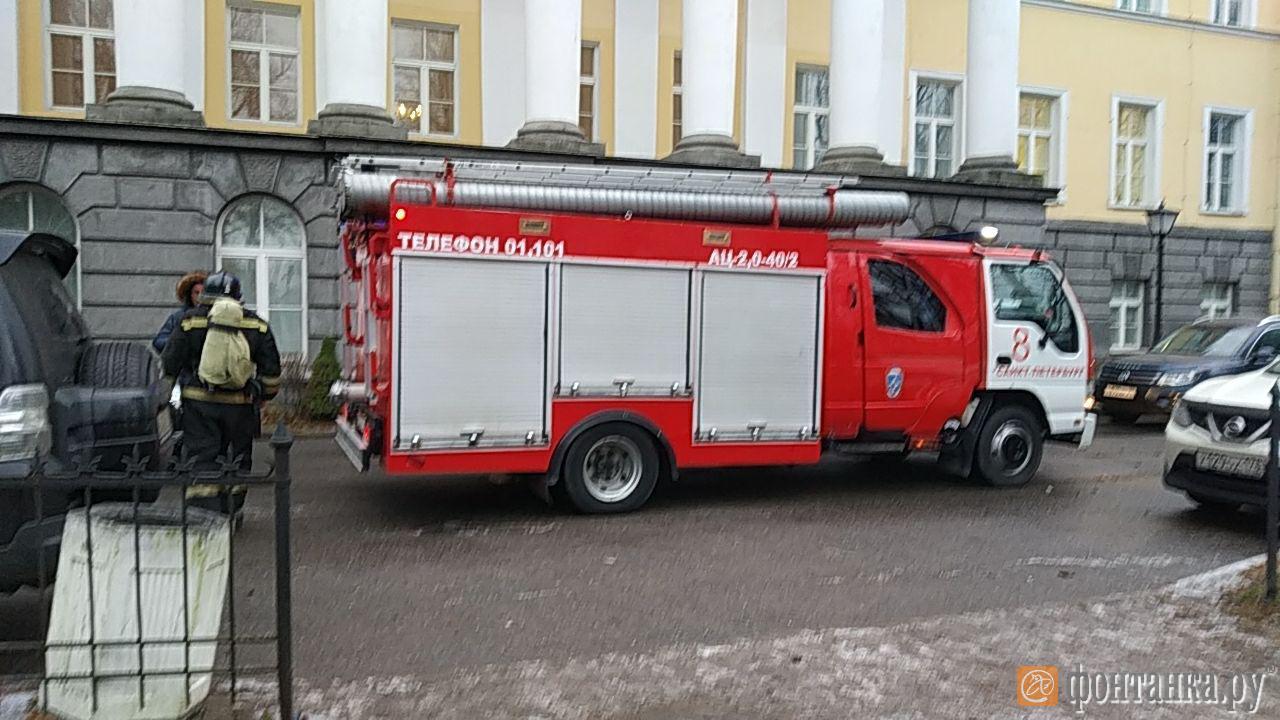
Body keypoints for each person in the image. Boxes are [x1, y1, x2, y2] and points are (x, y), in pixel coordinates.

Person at [161, 271, 282, 515]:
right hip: (240, 407)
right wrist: (260, 393)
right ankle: (232, 511)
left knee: (202, 457)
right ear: (239, 298)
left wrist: (171, 396)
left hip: (199, 405)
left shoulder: (189, 321)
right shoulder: (256, 325)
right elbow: (272, 375)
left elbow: (169, 364)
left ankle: (203, 515)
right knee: (237, 459)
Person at [153, 271, 207, 352]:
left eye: (203, 293)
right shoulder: (178, 317)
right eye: (196, 293)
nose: (200, 297)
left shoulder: (215, 315)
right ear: (190, 295)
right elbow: (159, 341)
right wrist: (180, 343)